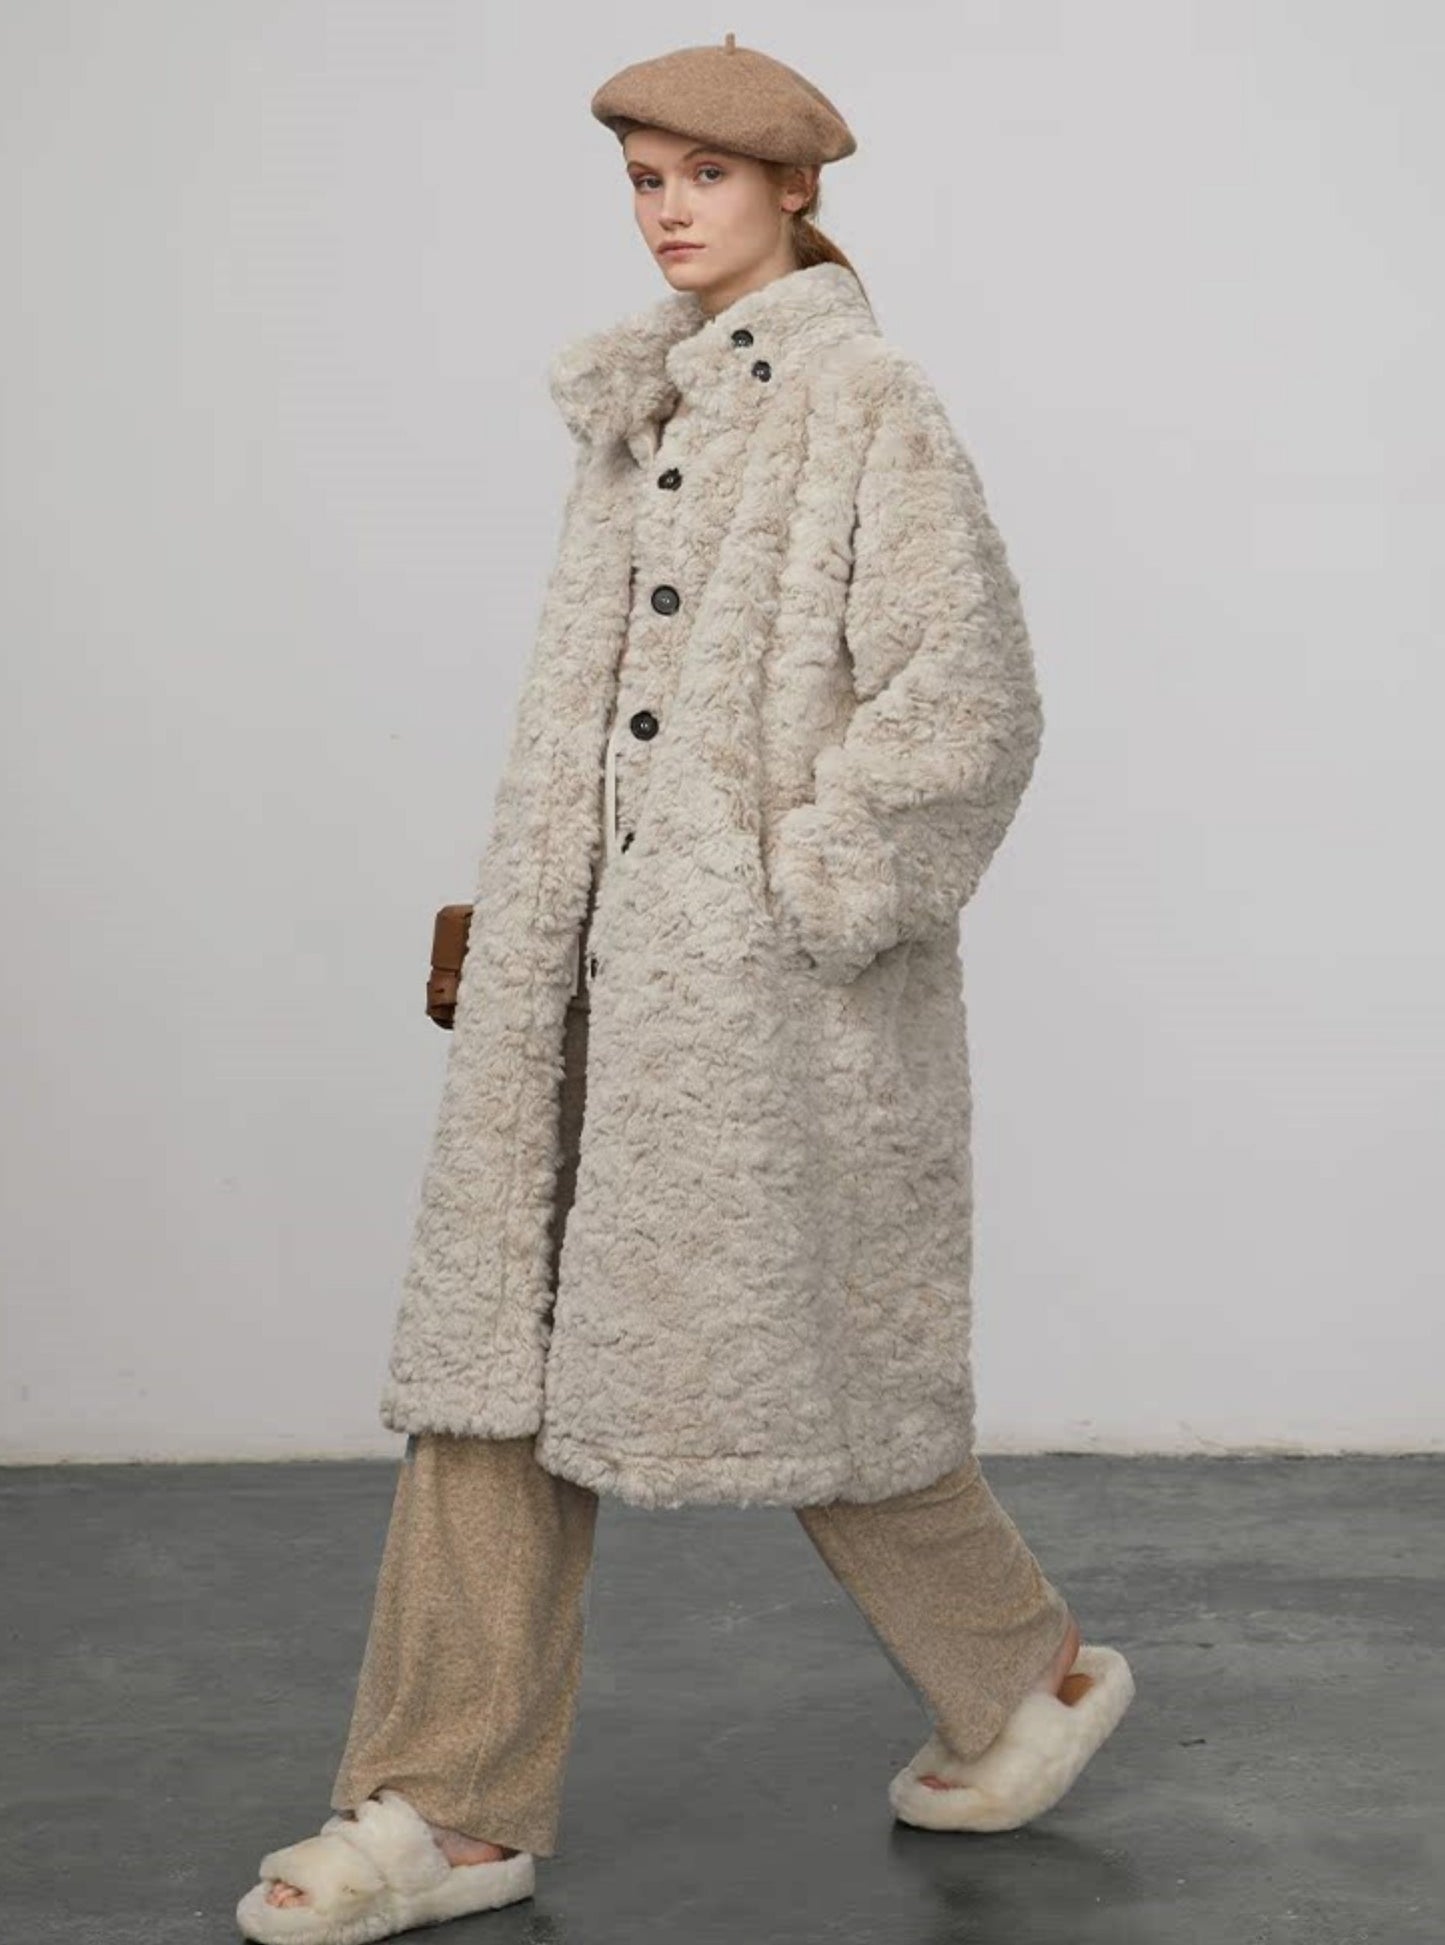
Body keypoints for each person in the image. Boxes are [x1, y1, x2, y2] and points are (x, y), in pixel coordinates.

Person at [235, 34, 1135, 1945]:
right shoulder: (637, 406)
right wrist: (532, 907)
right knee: (496, 1359)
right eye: (643, 178)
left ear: (795, 188)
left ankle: (1020, 1671)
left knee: (805, 1365)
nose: (664, 211)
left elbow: (967, 701)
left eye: (703, 177)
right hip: (585, 971)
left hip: (760, 1002)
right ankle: (445, 1807)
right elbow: (609, 713)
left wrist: (794, 893)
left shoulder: (866, 401)